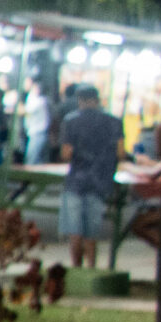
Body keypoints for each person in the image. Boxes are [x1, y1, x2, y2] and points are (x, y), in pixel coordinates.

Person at [58, 83, 124, 268]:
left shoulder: (70, 121)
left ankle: (76, 267)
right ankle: (91, 267)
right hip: (101, 181)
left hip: (76, 180)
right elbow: (121, 153)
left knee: (74, 229)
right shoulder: (114, 122)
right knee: (92, 230)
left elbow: (66, 153)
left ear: (80, 101)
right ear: (97, 99)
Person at [23, 77, 54, 165]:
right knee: (38, 160)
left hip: (38, 133)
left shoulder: (40, 101)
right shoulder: (37, 100)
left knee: (32, 160)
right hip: (37, 133)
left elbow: (25, 110)